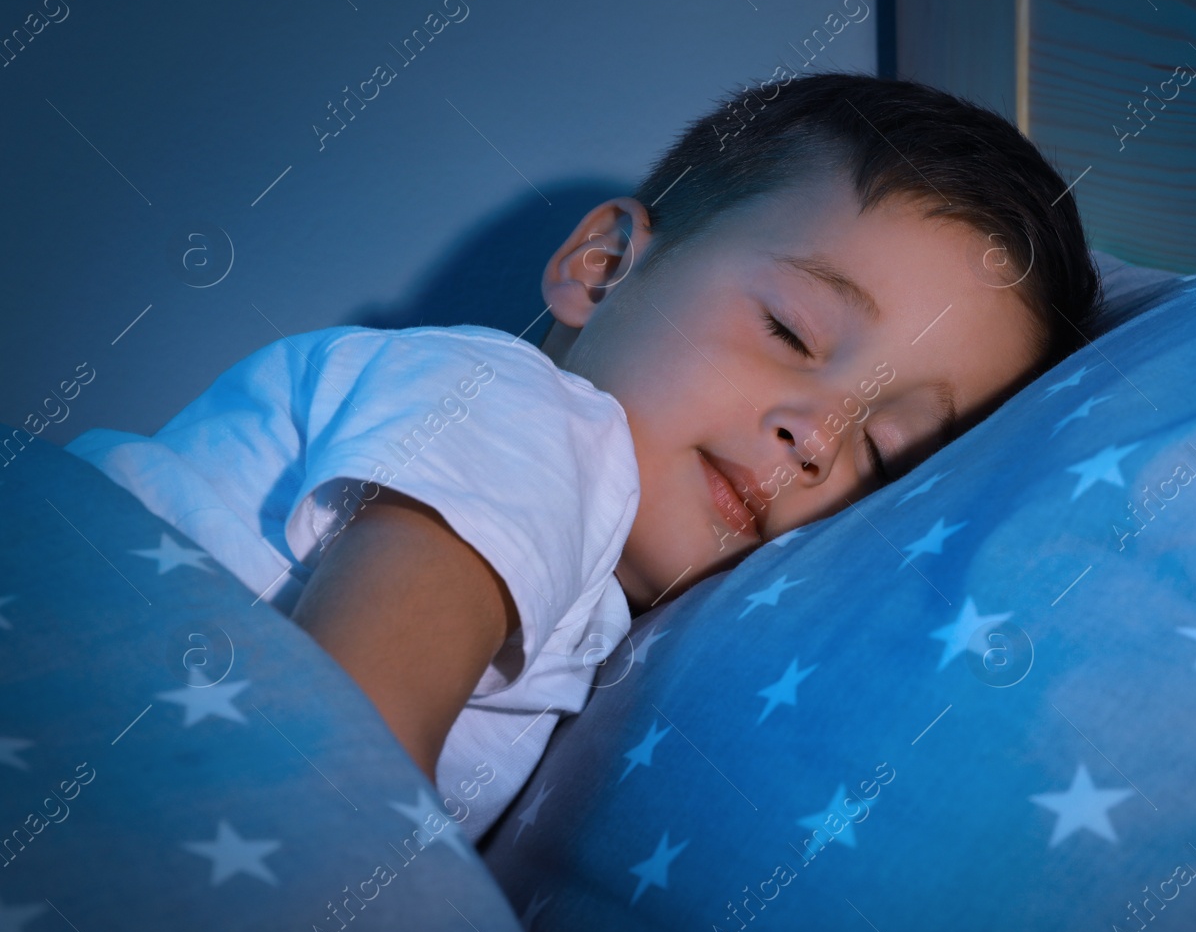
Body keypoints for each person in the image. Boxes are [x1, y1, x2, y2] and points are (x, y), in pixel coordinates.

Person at [66, 72, 1102, 840]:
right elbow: (325, 783)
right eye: (791, 331)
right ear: (603, 267)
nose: (818, 436)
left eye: (886, 451)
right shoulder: (529, 418)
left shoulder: (611, 590)